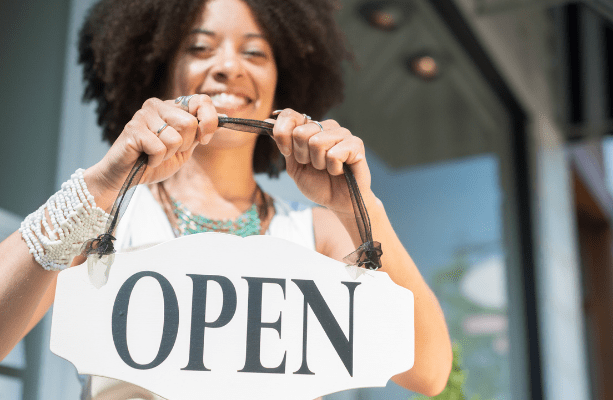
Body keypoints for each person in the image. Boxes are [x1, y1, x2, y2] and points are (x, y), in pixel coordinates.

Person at [0, 0, 452, 398]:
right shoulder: (105, 220)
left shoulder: (321, 233)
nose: (229, 67)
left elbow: (429, 373)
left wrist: (358, 207)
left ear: (283, 81)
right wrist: (102, 184)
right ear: (161, 70)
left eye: (255, 52)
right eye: (200, 48)